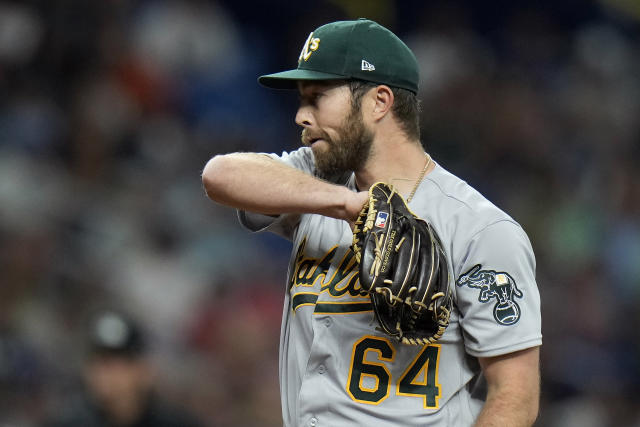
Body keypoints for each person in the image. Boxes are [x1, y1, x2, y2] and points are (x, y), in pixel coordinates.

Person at [202, 18, 541, 426]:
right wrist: (348, 204)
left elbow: (515, 397)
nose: (301, 116)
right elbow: (219, 175)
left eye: (318, 97)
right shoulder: (318, 184)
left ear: (379, 102)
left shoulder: (478, 229)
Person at [43, 310, 203, 427]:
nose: (108, 375)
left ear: (145, 370)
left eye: (120, 364)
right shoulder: (66, 422)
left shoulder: (177, 423)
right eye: (101, 363)